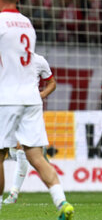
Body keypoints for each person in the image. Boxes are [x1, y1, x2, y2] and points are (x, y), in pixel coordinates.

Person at [0, 0, 74, 219]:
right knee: (36, 155)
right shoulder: (27, 24)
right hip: (31, 99)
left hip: (7, 98)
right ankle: (62, 202)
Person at [3, 52, 56, 204]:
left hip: (28, 110)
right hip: (7, 107)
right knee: (20, 152)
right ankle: (41, 160)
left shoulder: (38, 60)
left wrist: (42, 94)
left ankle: (13, 194)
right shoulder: (7, 58)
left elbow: (52, 82)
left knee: (21, 149)